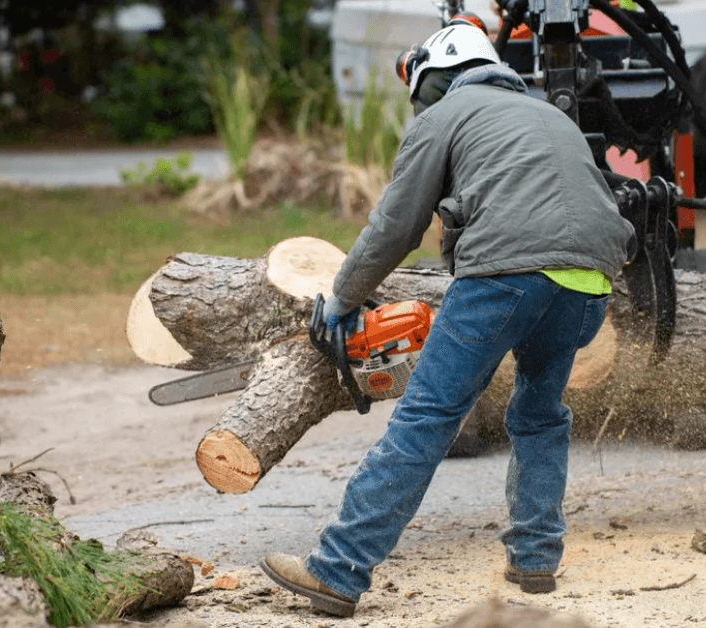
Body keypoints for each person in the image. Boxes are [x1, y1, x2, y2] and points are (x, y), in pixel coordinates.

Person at [258, 18, 636, 618]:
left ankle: (337, 569)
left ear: (439, 75)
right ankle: (536, 558)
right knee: (539, 414)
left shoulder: (444, 116)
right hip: (590, 285)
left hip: (505, 279)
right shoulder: (550, 115)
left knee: (428, 413)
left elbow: (395, 226)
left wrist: (342, 296)